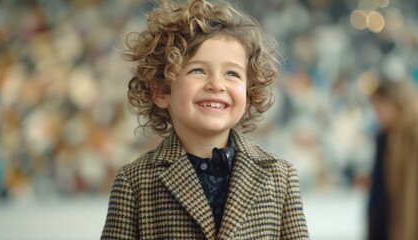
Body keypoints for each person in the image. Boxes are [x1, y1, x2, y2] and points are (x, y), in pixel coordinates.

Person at [101, 0, 309, 239]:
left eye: (232, 73)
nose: (217, 85)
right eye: (197, 70)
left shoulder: (279, 176)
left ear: (249, 93)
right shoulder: (135, 182)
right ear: (160, 91)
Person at [367, 80, 418, 240]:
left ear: (395, 103)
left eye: (379, 109)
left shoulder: (417, 135)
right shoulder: (385, 137)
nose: (377, 115)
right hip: (384, 227)